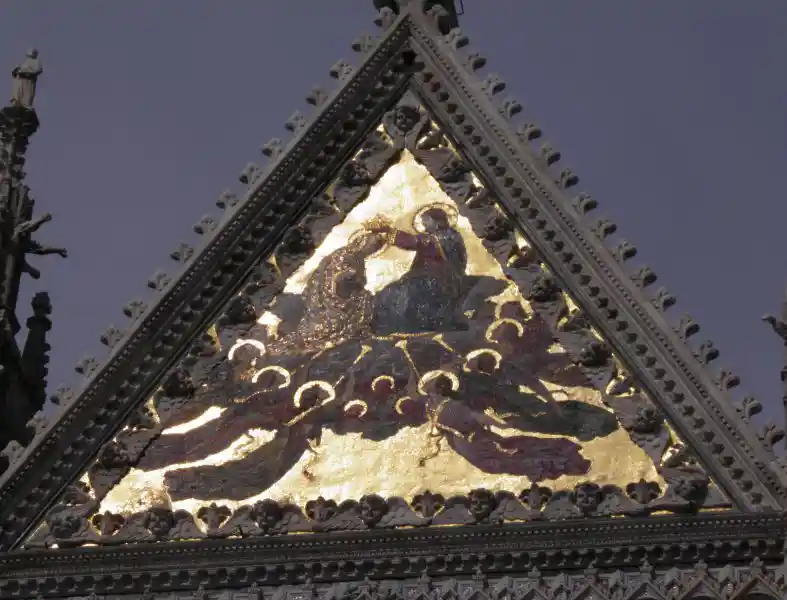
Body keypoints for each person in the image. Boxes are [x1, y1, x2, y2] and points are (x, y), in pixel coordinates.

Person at [369, 204, 469, 334]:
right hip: (437, 277)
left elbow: (413, 242)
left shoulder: (440, 237)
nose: (424, 225)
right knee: (394, 290)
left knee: (397, 292)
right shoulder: (449, 235)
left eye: (426, 221)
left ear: (437, 222)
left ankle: (399, 323)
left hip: (438, 280)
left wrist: (388, 231)